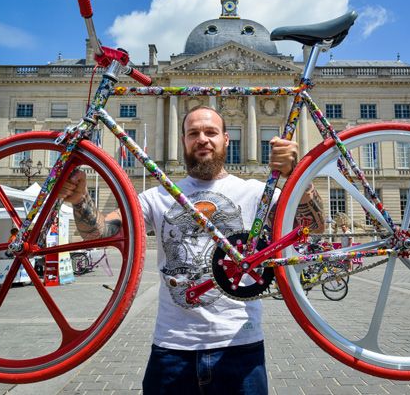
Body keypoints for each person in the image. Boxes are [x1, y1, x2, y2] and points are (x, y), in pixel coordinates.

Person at [59, 106, 326, 394]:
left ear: (226, 139)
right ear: (183, 140)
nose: (202, 139)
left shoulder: (256, 193)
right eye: (193, 133)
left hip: (240, 347)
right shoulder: (156, 197)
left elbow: (313, 225)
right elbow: (101, 233)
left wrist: (299, 176)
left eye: (211, 132)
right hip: (172, 350)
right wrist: (80, 199)